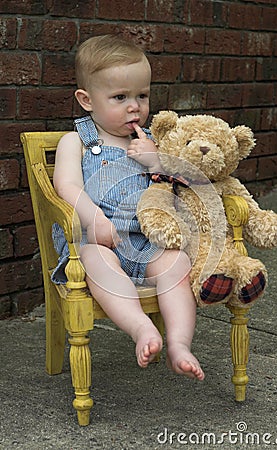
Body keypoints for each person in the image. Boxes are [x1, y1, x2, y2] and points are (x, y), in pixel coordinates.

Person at [52, 34, 204, 381]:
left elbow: (181, 182)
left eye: (142, 95)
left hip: (145, 243)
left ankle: (179, 343)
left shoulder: (149, 140)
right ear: (86, 100)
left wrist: (157, 161)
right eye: (120, 97)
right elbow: (67, 186)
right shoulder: (76, 141)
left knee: (177, 263)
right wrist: (95, 219)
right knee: (96, 261)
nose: (134, 106)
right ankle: (141, 328)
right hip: (94, 241)